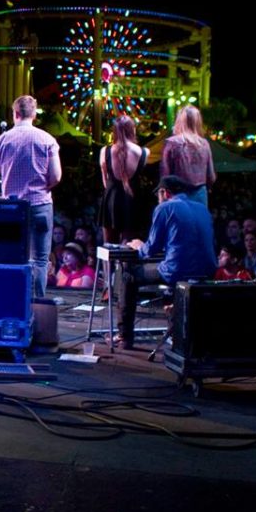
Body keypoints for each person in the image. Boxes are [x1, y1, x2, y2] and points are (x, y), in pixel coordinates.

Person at [118, 175, 217, 349]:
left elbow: (150, 250)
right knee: (169, 268)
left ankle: (124, 337)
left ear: (164, 192)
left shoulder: (165, 208)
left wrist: (139, 246)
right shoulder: (203, 209)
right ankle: (177, 328)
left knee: (128, 273)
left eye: (158, 195)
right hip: (208, 270)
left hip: (177, 271)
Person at [0, 95, 62, 298]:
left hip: (11, 209)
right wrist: (44, 187)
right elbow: (57, 176)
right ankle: (36, 307)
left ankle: (11, 303)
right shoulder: (47, 140)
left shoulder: (2, 140)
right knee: (40, 261)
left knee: (12, 258)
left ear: (15, 114)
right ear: (34, 114)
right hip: (40, 205)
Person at [98, 115, 149, 243]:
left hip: (111, 199)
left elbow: (105, 180)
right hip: (132, 199)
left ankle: (109, 265)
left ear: (114, 131)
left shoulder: (105, 151)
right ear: (133, 130)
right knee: (129, 245)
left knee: (108, 248)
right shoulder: (144, 152)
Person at [160, 104, 216, 206]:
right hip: (200, 197)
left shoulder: (171, 143)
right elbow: (211, 176)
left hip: (178, 197)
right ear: (198, 122)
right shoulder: (204, 143)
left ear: (179, 121)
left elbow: (165, 176)